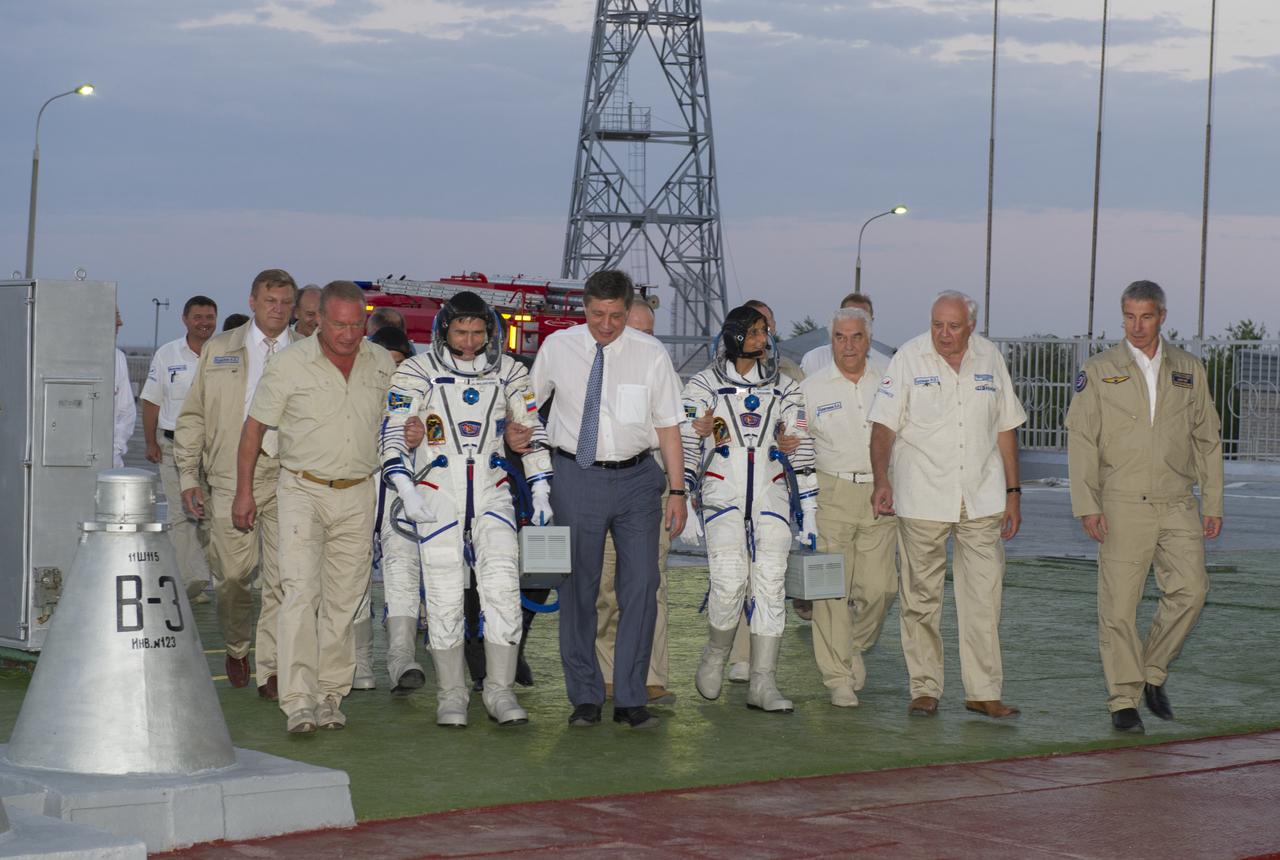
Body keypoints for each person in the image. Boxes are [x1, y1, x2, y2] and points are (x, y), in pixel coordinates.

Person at [379, 291, 552, 727]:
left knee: (502, 592)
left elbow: (531, 430)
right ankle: (451, 695)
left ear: (490, 331)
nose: (470, 341)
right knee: (443, 597)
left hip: (492, 495)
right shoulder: (416, 371)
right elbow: (394, 433)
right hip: (436, 495)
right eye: (461, 331)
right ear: (443, 331)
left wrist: (542, 487)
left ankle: (499, 690)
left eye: (478, 332)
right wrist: (406, 487)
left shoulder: (511, 372)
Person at [234, 280, 395, 734]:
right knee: (300, 594)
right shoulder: (289, 365)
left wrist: (412, 433)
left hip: (360, 491)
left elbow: (400, 421)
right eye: (338, 324)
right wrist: (244, 493)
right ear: (318, 319)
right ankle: (298, 699)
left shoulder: (381, 363)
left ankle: (330, 695)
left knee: (345, 600)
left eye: (356, 324)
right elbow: (252, 431)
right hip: (301, 490)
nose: (347, 334)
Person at [530, 269, 686, 730]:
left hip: (638, 480)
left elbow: (669, 427)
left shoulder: (650, 353)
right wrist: (519, 433)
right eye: (597, 314)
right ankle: (585, 696)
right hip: (575, 477)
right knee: (579, 589)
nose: (606, 324)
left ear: (627, 308)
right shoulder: (558, 348)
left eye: (615, 315)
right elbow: (525, 403)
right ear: (585, 308)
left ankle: (631, 697)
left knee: (641, 587)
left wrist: (677, 491)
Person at [1065, 280, 1223, 733]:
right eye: (1129, 317)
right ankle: (1123, 701)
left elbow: (1207, 439)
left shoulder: (1189, 368)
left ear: (1162, 317)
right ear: (1122, 317)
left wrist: (1212, 502)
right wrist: (1086, 504)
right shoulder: (1098, 369)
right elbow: (1082, 441)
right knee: (1118, 608)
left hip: (1178, 501)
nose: (1137, 326)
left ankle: (1152, 671)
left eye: (1146, 317)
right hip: (1121, 503)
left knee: (1192, 590)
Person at [868, 290, 1025, 719]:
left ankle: (983, 691)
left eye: (953, 326)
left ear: (970, 326)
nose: (944, 334)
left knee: (984, 597)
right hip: (921, 497)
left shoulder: (991, 358)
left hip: (982, 497)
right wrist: (881, 479)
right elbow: (882, 426)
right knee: (921, 598)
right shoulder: (908, 359)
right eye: (938, 324)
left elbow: (1006, 428)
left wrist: (1014, 494)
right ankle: (925, 687)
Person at [682, 305, 816, 714]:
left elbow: (802, 447)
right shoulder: (702, 385)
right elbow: (687, 444)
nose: (764, 338)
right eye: (756, 332)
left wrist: (809, 509)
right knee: (728, 581)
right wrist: (686, 499)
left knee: (771, 585)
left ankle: (763, 681)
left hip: (771, 495)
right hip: (722, 494)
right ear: (738, 337)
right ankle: (716, 654)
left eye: (765, 332)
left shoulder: (786, 387)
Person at [175, 269, 299, 699]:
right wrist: (189, 475)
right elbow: (192, 416)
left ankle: (271, 668)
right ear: (252, 302)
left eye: (285, 303)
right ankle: (237, 646)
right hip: (230, 474)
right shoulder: (220, 349)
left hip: (288, 475)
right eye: (270, 302)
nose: (278, 310)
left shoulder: (307, 352)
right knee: (231, 576)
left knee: (285, 578)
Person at [800, 307, 897, 707]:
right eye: (841, 337)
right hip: (831, 494)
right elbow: (797, 442)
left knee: (881, 589)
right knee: (829, 591)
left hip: (880, 493)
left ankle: (852, 644)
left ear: (869, 339)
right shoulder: (812, 387)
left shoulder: (891, 379)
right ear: (831, 341)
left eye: (856, 337)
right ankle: (837, 675)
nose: (849, 345)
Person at [592, 300, 676, 705]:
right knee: (605, 587)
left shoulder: (664, 373)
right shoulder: (591, 371)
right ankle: (607, 671)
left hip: (650, 492)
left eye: (649, 331)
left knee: (649, 584)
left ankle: (651, 674)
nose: (642, 338)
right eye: (635, 330)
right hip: (601, 490)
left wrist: (679, 491)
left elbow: (681, 439)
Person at [141, 295, 218, 600]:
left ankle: (203, 574)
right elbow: (151, 400)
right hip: (173, 445)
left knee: (211, 516)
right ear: (185, 319)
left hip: (214, 451)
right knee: (181, 513)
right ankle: (191, 582)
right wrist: (150, 442)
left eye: (210, 317)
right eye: (198, 317)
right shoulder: (167, 354)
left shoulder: (224, 354)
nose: (204, 323)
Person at [801, 293, 878, 377]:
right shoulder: (814, 359)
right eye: (848, 314)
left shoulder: (886, 366)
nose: (854, 320)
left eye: (863, 317)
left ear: (871, 321)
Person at [113, 308, 136, 468]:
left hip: (111, 458)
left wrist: (116, 447)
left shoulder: (118, 357)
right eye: (116, 316)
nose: (120, 322)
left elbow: (127, 410)